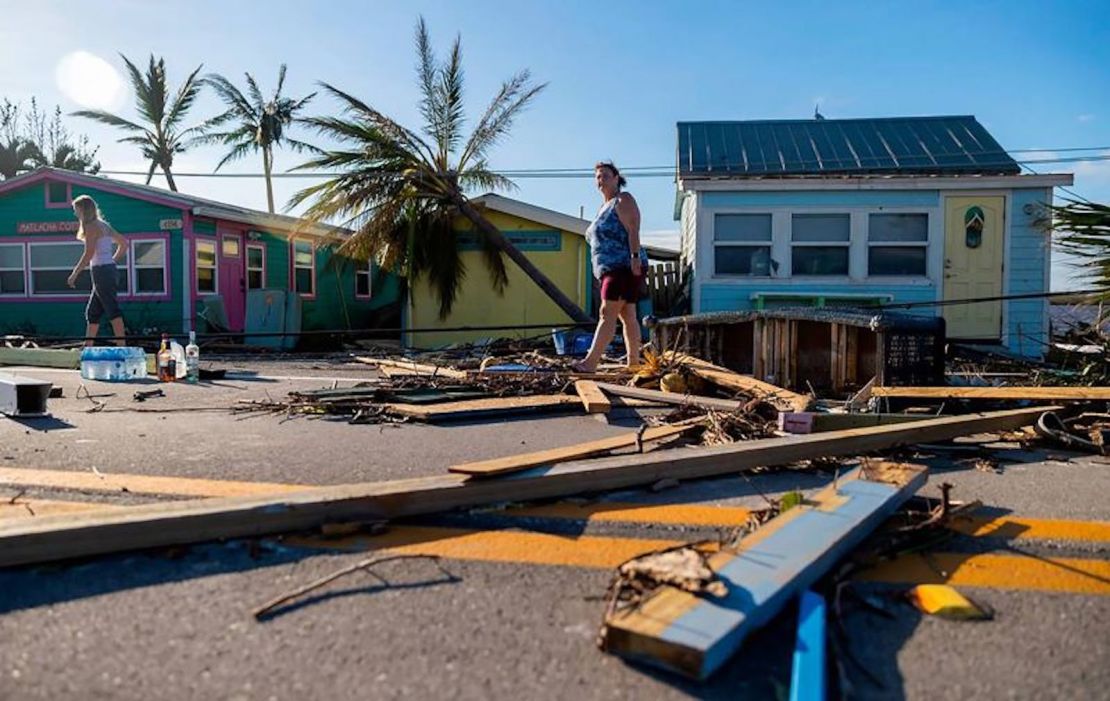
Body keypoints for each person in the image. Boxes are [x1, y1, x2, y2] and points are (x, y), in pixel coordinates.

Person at [573, 161, 649, 372]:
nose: (601, 180)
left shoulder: (622, 199)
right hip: (609, 269)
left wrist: (634, 257)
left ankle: (590, 363)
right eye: (598, 176)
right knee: (628, 315)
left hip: (623, 265)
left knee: (607, 313)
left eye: (606, 175)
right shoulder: (602, 208)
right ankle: (634, 363)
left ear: (617, 178)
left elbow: (633, 228)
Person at [66, 195, 127, 346]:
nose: (75, 214)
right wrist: (112, 260)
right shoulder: (103, 225)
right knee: (92, 312)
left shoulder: (91, 226)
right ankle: (88, 348)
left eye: (77, 210)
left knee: (112, 309)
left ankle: (123, 347)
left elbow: (89, 253)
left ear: (84, 210)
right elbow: (123, 243)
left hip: (102, 272)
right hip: (106, 270)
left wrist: (75, 273)